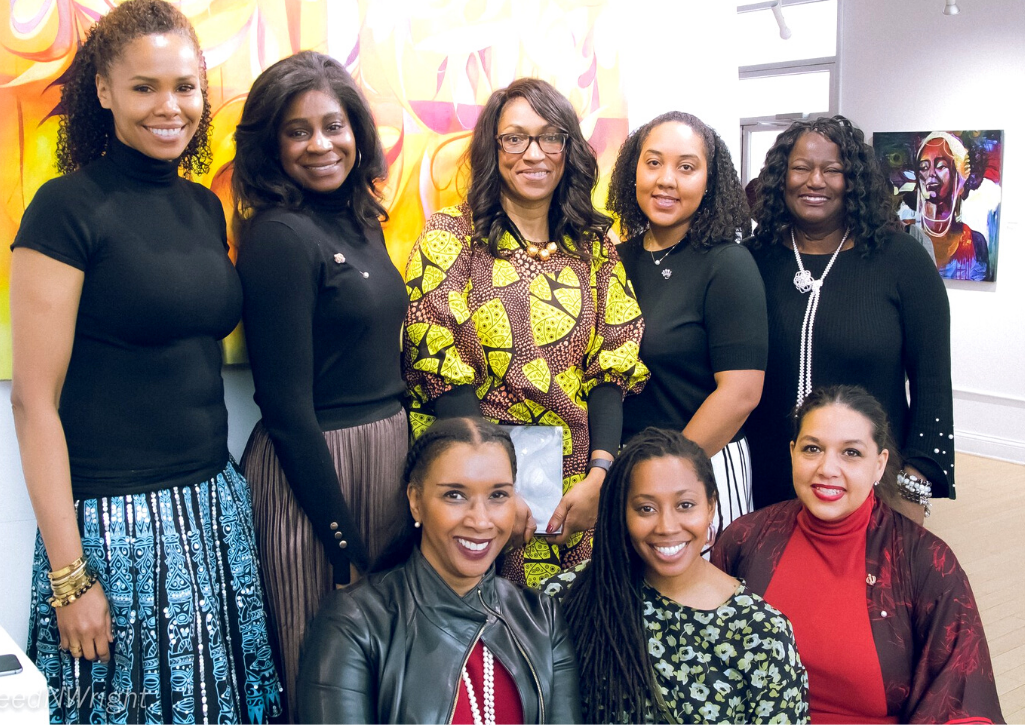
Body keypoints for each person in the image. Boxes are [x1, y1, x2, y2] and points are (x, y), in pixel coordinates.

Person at [8, 1, 282, 721]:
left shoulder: (201, 206)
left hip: (213, 509)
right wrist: (71, 578)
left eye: (186, 86)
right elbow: (33, 402)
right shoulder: (65, 210)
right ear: (103, 91)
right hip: (110, 527)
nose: (171, 106)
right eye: (145, 87)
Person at [402, 77, 649, 587]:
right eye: (515, 138)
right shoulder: (452, 236)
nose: (533, 153)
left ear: (568, 148)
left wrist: (601, 479)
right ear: (493, 149)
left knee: (573, 642)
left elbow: (613, 365)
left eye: (549, 136)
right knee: (487, 644)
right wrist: (492, 492)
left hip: (576, 488)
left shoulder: (595, 245)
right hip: (475, 488)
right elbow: (440, 365)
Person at [232, 50, 409, 717]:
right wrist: (341, 541)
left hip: (384, 460)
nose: (319, 144)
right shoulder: (278, 235)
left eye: (333, 125)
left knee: (376, 674)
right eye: (297, 130)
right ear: (271, 146)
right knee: (321, 675)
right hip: (315, 477)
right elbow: (284, 404)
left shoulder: (361, 221)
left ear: (357, 131)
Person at [712, 385, 1003, 723]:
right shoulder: (746, 539)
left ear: (880, 465)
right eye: (812, 449)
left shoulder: (925, 561)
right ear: (793, 453)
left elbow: (962, 699)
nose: (827, 468)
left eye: (851, 453)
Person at [296, 417, 581, 724]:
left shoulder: (541, 619)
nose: (481, 520)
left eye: (498, 495)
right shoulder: (353, 623)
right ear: (416, 501)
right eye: (455, 495)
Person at [744, 115, 954, 520]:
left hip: (871, 486)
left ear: (854, 180)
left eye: (832, 170)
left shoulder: (902, 261)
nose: (815, 181)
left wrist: (912, 487)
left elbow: (931, 385)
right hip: (764, 481)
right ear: (779, 178)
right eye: (801, 168)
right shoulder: (751, 260)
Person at [542, 428, 808, 723]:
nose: (667, 526)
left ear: (711, 506)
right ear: (622, 513)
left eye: (685, 505)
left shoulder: (761, 632)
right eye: (646, 508)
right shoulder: (566, 597)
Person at [608, 111, 766, 546]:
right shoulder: (614, 259)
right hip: (624, 466)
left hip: (700, 464)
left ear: (709, 182)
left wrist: (669, 470)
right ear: (632, 171)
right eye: (653, 162)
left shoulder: (728, 264)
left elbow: (740, 394)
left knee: (698, 606)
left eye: (686, 167)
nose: (666, 180)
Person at [915, 131, 990, 281]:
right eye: (924, 167)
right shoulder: (906, 237)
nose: (931, 174)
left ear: (958, 176)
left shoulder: (975, 243)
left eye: (941, 166)